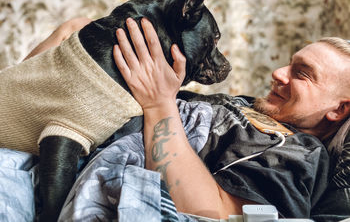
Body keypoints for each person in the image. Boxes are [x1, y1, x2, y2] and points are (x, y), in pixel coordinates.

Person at [112, 17, 350, 219]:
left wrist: (159, 104)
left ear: (339, 110)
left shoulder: (302, 154)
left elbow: (212, 213)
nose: (278, 73)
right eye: (289, 64)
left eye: (302, 73)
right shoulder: (249, 105)